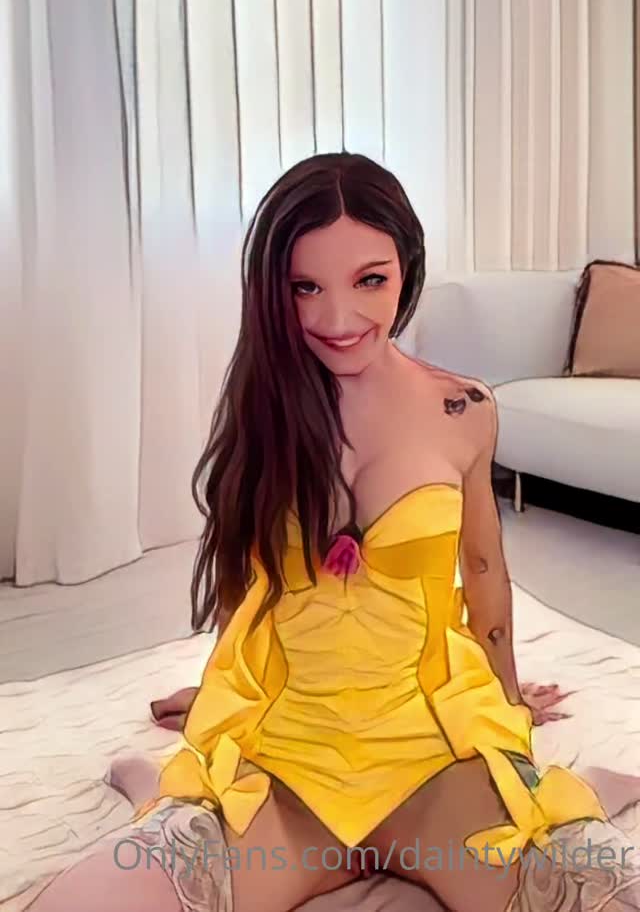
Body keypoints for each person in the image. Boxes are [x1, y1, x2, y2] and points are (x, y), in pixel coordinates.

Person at [27, 153, 640, 912]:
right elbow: (242, 578)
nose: (338, 319)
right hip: (287, 760)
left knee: (594, 885)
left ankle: (583, 790)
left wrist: (506, 705)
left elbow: (484, 573)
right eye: (305, 287)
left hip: (431, 756)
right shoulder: (264, 411)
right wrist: (220, 691)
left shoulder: (464, 409)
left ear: (407, 267)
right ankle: (156, 786)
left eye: (369, 280)